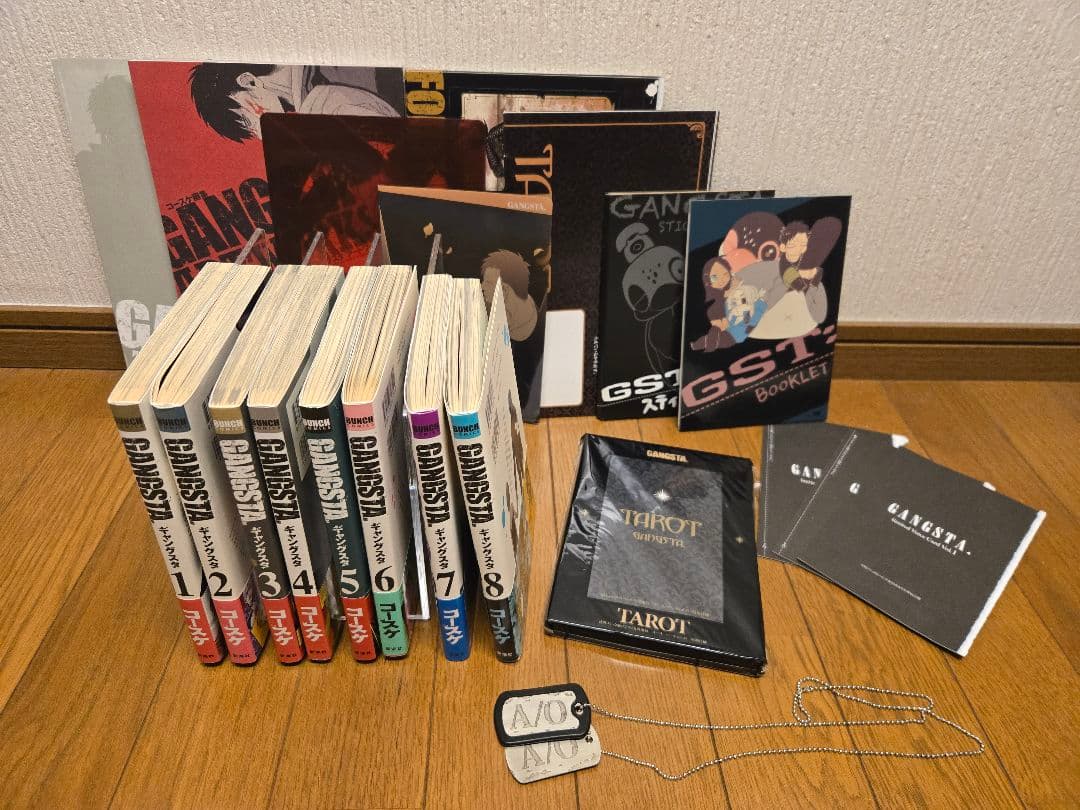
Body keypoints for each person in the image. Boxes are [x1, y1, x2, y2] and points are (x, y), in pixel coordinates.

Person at [188, 63, 399, 141]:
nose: (261, 136)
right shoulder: (311, 97)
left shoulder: (322, 106)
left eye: (248, 121)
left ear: (248, 81)